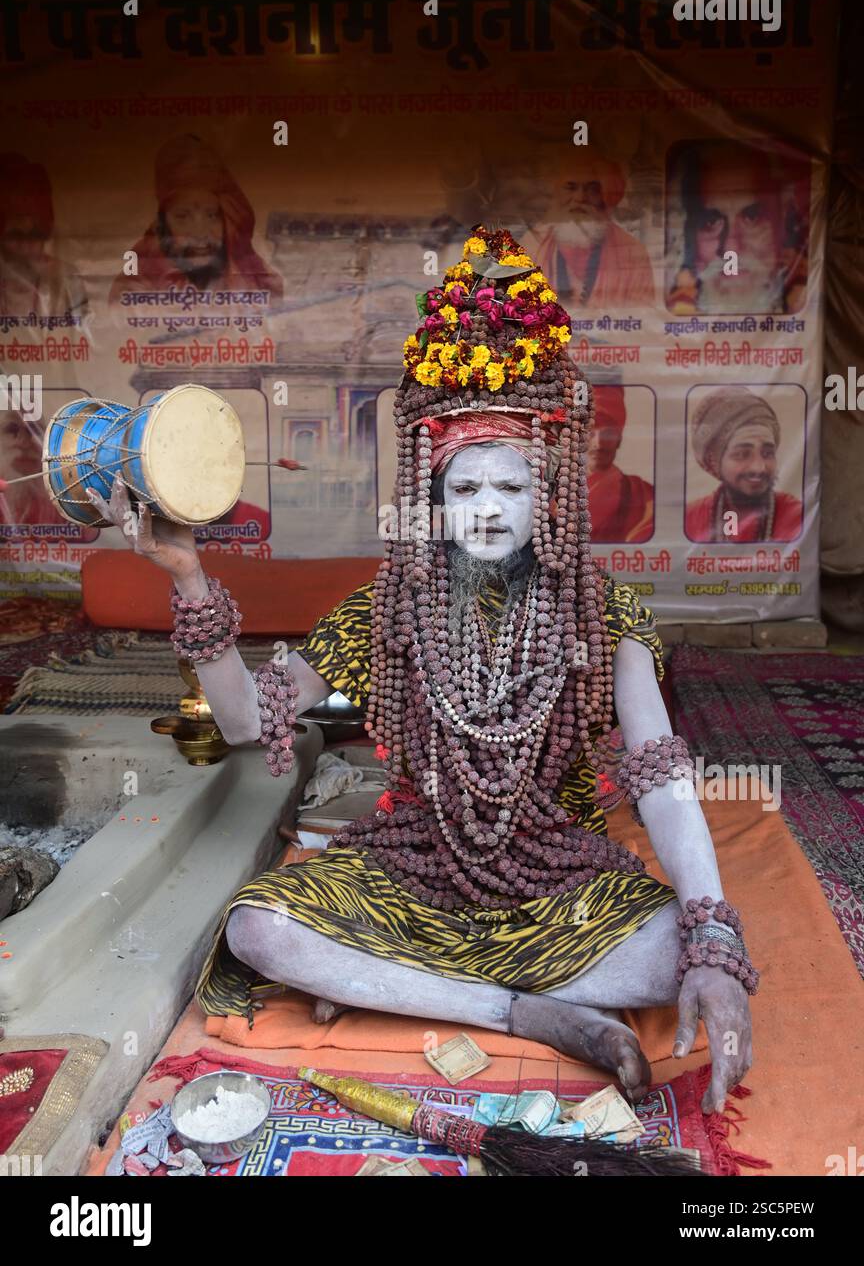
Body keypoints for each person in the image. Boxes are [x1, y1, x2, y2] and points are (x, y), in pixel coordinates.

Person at [92, 226, 756, 1117]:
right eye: (464, 489)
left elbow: (663, 776)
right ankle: (522, 1011)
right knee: (258, 929)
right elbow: (249, 720)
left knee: (681, 947)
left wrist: (711, 934)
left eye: (510, 489)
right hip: (411, 870)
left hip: (557, 877)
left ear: (547, 497)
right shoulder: (389, 608)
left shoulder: (600, 610)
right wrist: (188, 575)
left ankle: (400, 986)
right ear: (431, 499)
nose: (486, 511)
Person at [109, 135, 283, 307]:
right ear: (162, 222)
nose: (200, 234)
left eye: (212, 215)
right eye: (183, 217)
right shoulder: (135, 285)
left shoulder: (256, 279)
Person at [667, 141, 808, 316]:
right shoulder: (673, 311)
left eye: (752, 216)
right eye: (710, 223)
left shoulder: (807, 303)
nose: (731, 250)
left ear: (783, 219)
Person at [534, 151, 656, 308]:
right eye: (570, 187)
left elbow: (643, 322)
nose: (580, 198)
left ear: (606, 196)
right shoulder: (532, 247)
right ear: (556, 192)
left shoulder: (633, 254)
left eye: (592, 189)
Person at [685, 387, 803, 543]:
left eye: (767, 453)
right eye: (741, 455)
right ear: (715, 462)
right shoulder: (691, 519)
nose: (759, 468)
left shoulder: (797, 516)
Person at [0, 153, 88, 321]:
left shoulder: (68, 279)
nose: (26, 248)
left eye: (34, 236)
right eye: (16, 236)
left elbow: (84, 333)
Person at [587, 386, 654, 543]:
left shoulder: (645, 497)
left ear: (619, 439)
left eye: (608, 433)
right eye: (590, 431)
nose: (599, 443)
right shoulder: (552, 495)